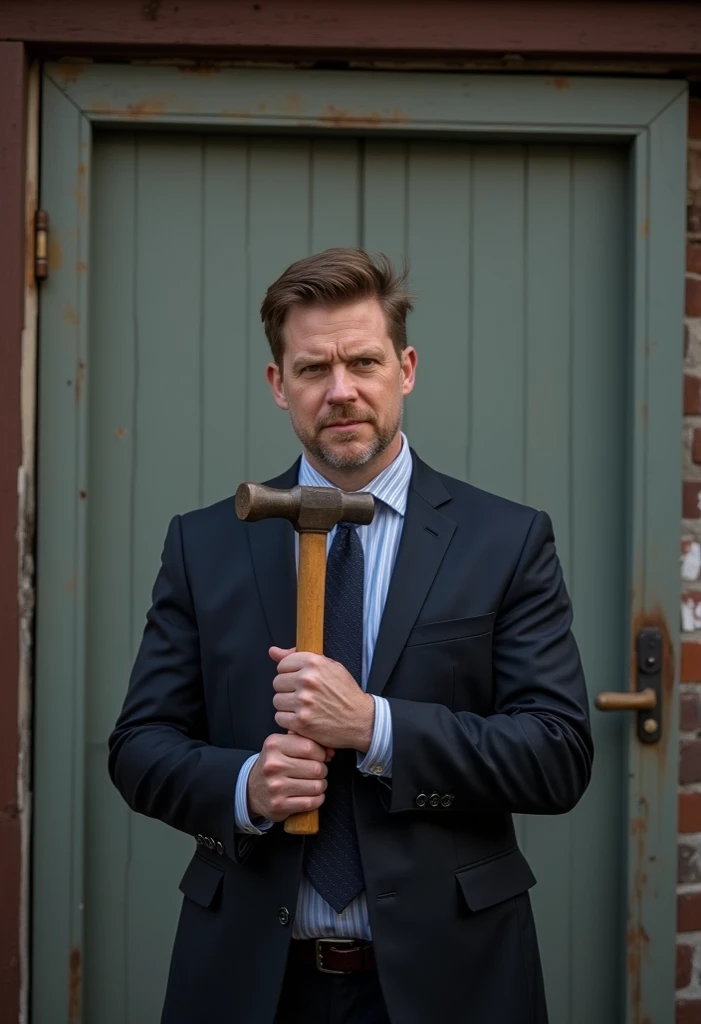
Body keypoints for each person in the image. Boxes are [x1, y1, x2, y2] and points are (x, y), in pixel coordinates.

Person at [108, 248, 593, 1024]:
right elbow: (138, 746)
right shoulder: (203, 546)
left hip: (453, 979)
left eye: (362, 361)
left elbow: (557, 755)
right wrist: (244, 789)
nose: (341, 391)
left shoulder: (505, 541)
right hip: (249, 983)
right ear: (278, 384)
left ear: (404, 367)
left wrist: (375, 727)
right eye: (312, 369)